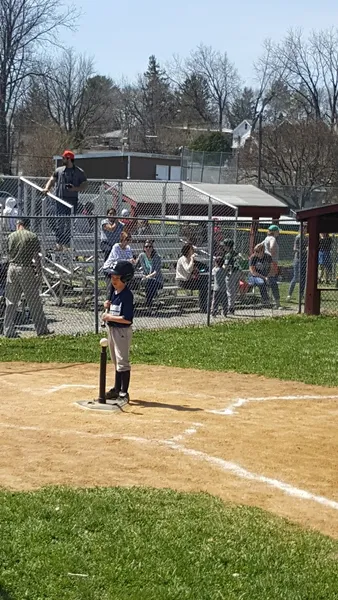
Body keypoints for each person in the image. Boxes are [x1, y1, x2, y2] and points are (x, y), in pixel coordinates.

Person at [3, 219, 51, 338]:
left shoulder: (11, 236)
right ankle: (41, 329)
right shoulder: (32, 236)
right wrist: (39, 272)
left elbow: (8, 253)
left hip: (12, 267)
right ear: (27, 225)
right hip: (26, 268)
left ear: (18, 224)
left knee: (11, 301)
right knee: (33, 300)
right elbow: (36, 256)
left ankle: (8, 330)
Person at [102, 260, 135, 404]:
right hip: (112, 329)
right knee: (115, 361)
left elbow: (127, 319)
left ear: (125, 278)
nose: (113, 280)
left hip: (121, 331)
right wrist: (107, 305)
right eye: (112, 277)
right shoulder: (114, 292)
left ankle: (124, 391)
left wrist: (110, 317)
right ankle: (116, 388)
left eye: (117, 278)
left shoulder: (127, 296)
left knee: (122, 362)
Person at [43, 150, 87, 250]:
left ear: (69, 159)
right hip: (60, 200)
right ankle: (59, 243)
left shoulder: (79, 172)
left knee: (69, 223)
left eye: (64, 158)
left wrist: (75, 189)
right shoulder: (59, 170)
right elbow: (52, 179)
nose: (62, 160)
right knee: (60, 222)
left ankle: (67, 244)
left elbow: (85, 184)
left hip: (72, 201)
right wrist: (47, 188)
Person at [175, 243, 207, 312]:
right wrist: (192, 259)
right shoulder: (183, 259)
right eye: (191, 249)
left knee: (204, 283)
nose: (193, 250)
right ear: (187, 251)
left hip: (188, 280)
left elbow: (201, 267)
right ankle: (203, 307)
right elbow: (188, 269)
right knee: (203, 286)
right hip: (182, 281)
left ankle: (203, 307)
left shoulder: (190, 259)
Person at [137, 239, 163, 308]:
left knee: (151, 283)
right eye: (146, 247)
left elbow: (156, 272)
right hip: (144, 279)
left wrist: (148, 276)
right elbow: (135, 265)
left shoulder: (157, 257)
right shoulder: (141, 256)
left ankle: (148, 304)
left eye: (150, 246)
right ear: (144, 248)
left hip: (157, 280)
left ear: (152, 248)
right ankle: (150, 303)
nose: (148, 248)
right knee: (150, 283)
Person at [287, 224, 308, 301]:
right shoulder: (298, 237)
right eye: (304, 228)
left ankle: (301, 295)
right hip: (298, 259)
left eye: (306, 228)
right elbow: (295, 248)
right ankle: (289, 294)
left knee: (303, 278)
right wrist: (304, 250)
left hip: (305, 259)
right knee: (296, 277)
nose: (306, 230)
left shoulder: (306, 238)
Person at [263, 224, 281, 309]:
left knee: (269, 281)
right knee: (273, 282)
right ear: (274, 232)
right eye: (278, 231)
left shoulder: (266, 238)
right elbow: (272, 246)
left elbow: (257, 247)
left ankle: (268, 300)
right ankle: (277, 303)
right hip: (272, 262)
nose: (279, 233)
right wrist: (271, 254)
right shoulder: (272, 238)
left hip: (267, 262)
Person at [223, 238, 241, 315]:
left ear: (228, 246)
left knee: (230, 292)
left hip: (230, 274)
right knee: (234, 291)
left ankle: (230, 308)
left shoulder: (228, 255)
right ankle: (232, 307)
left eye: (225, 246)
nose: (223, 247)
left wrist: (221, 266)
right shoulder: (236, 253)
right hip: (238, 273)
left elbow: (226, 266)